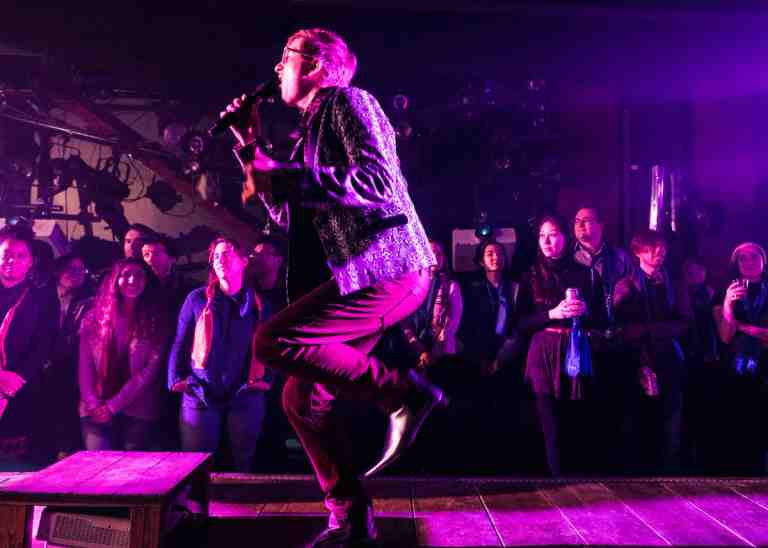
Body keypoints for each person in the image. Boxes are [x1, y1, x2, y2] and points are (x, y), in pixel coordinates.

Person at [223, 28, 444, 547]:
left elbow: (378, 183)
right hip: (363, 276)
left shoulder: (349, 101)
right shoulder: (309, 132)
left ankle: (405, 392)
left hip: (389, 266)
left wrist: (284, 171)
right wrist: (250, 146)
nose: (278, 68)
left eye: (286, 57)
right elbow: (287, 215)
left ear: (317, 66)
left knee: (271, 341)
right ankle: (350, 518)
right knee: (301, 399)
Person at [168, 237, 271, 472]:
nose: (220, 260)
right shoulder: (197, 299)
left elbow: (271, 346)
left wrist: (267, 380)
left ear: (244, 261)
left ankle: (240, 506)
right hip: (200, 390)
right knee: (195, 464)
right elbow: (180, 342)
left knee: (243, 461)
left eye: (227, 254)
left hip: (245, 391)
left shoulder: (259, 304)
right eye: (215, 256)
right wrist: (176, 380)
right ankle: (196, 508)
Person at [518, 216, 604, 476]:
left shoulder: (584, 273)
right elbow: (519, 323)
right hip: (543, 350)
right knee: (549, 423)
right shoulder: (529, 275)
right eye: (541, 235)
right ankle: (556, 483)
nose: (546, 241)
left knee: (575, 420)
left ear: (565, 238)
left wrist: (587, 309)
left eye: (553, 234)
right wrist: (551, 314)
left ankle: (578, 481)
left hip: (575, 349)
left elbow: (603, 318)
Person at [613, 229, 688, 475]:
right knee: (639, 424)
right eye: (651, 247)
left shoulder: (674, 283)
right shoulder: (626, 285)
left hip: (670, 361)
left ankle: (669, 477)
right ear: (637, 253)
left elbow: (685, 322)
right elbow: (621, 328)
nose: (659, 252)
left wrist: (651, 330)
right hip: (639, 362)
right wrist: (656, 330)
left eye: (662, 247)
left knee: (671, 426)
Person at [78, 258, 168, 451]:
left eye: (139, 275)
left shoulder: (155, 320)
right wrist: (94, 404)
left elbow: (149, 372)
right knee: (98, 467)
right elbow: (84, 366)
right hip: (94, 406)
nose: (132, 280)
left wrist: (113, 406)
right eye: (126, 275)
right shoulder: (93, 317)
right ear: (115, 280)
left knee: (131, 471)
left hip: (138, 407)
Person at [0, 225, 59, 469]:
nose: (11, 261)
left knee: (13, 470)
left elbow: (44, 343)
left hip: (19, 387)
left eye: (20, 256)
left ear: (31, 261)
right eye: (6, 255)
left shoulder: (42, 297)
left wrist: (15, 378)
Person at [712, 242, 768, 474]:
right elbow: (725, 336)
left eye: (754, 256)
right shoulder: (726, 291)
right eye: (742, 258)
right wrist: (727, 304)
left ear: (764, 260)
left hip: (765, 370)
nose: (749, 261)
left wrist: (740, 326)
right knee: (736, 431)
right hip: (735, 370)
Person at [46, 254, 94, 459]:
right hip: (42, 366)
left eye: (80, 270)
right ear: (58, 272)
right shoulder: (45, 297)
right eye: (71, 269)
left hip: (73, 366)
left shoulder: (89, 299)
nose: (77, 274)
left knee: (69, 417)